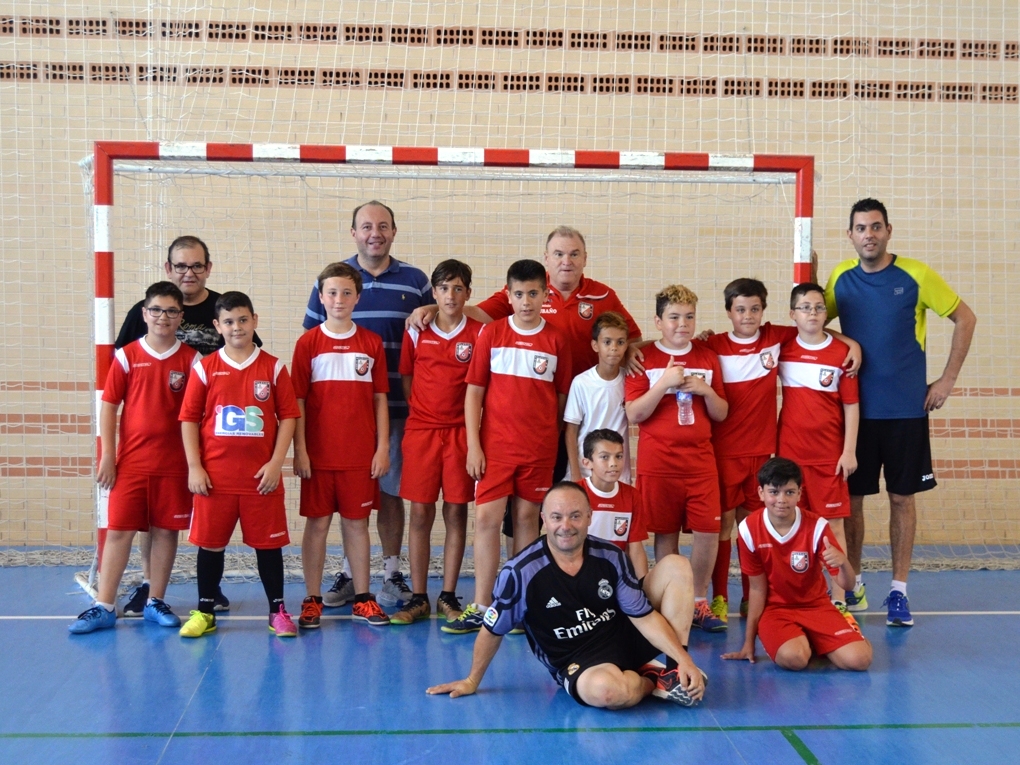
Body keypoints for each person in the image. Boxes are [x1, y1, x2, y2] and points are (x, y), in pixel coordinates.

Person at [823, 198, 976, 627]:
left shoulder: (916, 274)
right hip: (854, 412)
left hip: (906, 410)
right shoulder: (840, 277)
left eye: (875, 227)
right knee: (851, 503)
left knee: (900, 498)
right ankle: (851, 588)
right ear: (850, 234)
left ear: (888, 230)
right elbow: (815, 322)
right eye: (860, 228)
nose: (868, 234)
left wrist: (946, 380)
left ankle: (898, 592)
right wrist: (845, 339)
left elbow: (966, 319)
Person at [426, 482, 707, 709]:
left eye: (575, 516)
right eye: (557, 517)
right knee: (608, 693)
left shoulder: (611, 556)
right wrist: (472, 680)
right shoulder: (520, 573)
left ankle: (672, 671)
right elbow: (492, 630)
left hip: (624, 634)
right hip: (578, 658)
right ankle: (650, 679)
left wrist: (684, 659)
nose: (566, 526)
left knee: (676, 566)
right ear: (544, 519)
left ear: (589, 518)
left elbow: (642, 616)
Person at [302, 202, 434, 609]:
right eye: (365, 226)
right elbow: (313, 341)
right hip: (342, 419)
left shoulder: (415, 280)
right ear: (353, 233)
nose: (374, 232)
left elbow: (435, 326)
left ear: (394, 231)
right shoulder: (332, 279)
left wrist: (430, 308)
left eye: (382, 226)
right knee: (345, 502)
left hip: (399, 408)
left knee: (390, 493)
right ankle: (348, 573)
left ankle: (391, 573)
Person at [114, 236, 251, 616]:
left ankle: (210, 588)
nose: (188, 273)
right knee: (155, 519)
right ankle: (148, 586)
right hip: (161, 439)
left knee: (211, 510)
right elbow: (121, 368)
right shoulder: (145, 310)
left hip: (215, 433)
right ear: (168, 269)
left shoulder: (225, 308)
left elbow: (248, 357)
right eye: (180, 266)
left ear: (208, 268)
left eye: (196, 266)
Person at [441, 260, 572, 634]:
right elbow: (474, 394)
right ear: (508, 294)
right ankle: (483, 604)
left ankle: (519, 604)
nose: (526, 301)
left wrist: (548, 438)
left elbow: (560, 398)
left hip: (538, 452)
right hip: (495, 450)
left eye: (533, 294)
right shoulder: (492, 334)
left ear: (545, 295)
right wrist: (473, 446)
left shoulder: (557, 340)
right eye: (519, 294)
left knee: (527, 522)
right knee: (486, 520)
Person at [69, 282, 198, 633]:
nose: (163, 317)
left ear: (180, 317)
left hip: (174, 466)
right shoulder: (127, 355)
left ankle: (155, 600)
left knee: (166, 533)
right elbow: (109, 406)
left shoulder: (192, 360)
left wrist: (195, 462)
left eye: (171, 311)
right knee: (119, 532)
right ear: (144, 314)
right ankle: (105, 605)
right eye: (156, 310)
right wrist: (108, 456)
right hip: (131, 463)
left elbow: (199, 414)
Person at [178, 292, 301, 639]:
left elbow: (289, 416)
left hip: (260, 478)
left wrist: (277, 462)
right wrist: (194, 466)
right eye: (229, 321)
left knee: (268, 546)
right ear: (217, 326)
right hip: (215, 477)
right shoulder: (205, 367)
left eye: (243, 320)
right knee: (210, 545)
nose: (237, 327)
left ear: (255, 321)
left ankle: (277, 611)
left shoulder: (273, 366)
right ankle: (204, 612)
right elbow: (188, 418)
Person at [624, 285, 729, 633]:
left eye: (688, 317)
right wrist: (664, 383)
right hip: (659, 464)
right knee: (665, 533)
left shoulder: (707, 356)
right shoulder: (643, 358)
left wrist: (706, 391)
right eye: (673, 317)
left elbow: (721, 413)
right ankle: (673, 600)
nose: (682, 324)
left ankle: (698, 600)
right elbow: (634, 413)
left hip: (701, 463)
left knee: (708, 532)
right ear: (658, 321)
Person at [292, 263, 391, 629]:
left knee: (357, 525)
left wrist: (382, 448)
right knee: (317, 526)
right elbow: (297, 403)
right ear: (321, 298)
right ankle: (313, 598)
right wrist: (300, 450)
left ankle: (363, 598)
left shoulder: (370, 342)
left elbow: (380, 399)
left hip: (359, 456)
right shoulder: (308, 343)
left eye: (346, 292)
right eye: (332, 293)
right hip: (318, 456)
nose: (339, 299)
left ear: (357, 297)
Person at [391, 260, 482, 626]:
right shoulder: (416, 330)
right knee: (420, 512)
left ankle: (447, 593)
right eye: (444, 288)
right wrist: (426, 414)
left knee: (457, 511)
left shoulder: (479, 332)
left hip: (462, 433)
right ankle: (418, 596)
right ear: (434, 292)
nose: (450, 295)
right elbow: (408, 377)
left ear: (468, 294)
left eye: (458, 288)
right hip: (423, 431)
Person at [722, 458, 872, 671]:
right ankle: (807, 642)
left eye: (789, 492)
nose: (781, 499)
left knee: (859, 660)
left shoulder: (818, 527)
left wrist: (844, 562)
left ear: (800, 494)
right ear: (761, 493)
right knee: (794, 659)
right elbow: (756, 589)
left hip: (816, 606)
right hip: (775, 610)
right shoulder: (748, 529)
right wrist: (748, 643)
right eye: (774, 492)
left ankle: (830, 636)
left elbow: (847, 586)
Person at [777, 283, 860, 608]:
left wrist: (849, 450)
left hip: (829, 458)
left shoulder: (841, 355)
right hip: (790, 457)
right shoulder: (783, 348)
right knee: (789, 524)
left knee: (833, 527)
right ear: (792, 314)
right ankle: (792, 596)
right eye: (805, 307)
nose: (812, 313)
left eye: (818, 307)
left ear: (826, 314)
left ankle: (839, 599)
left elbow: (852, 406)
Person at [564, 312, 632, 484]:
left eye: (620, 342)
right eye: (607, 342)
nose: (614, 348)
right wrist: (575, 471)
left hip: (617, 472)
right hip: (586, 469)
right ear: (595, 345)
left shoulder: (630, 380)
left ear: (627, 346)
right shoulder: (581, 382)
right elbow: (571, 431)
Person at [577, 429, 648, 577]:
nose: (613, 464)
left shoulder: (632, 495)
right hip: (581, 573)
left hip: (615, 574)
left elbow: (635, 549)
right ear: (587, 462)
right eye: (604, 457)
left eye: (619, 456)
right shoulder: (575, 494)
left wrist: (642, 588)